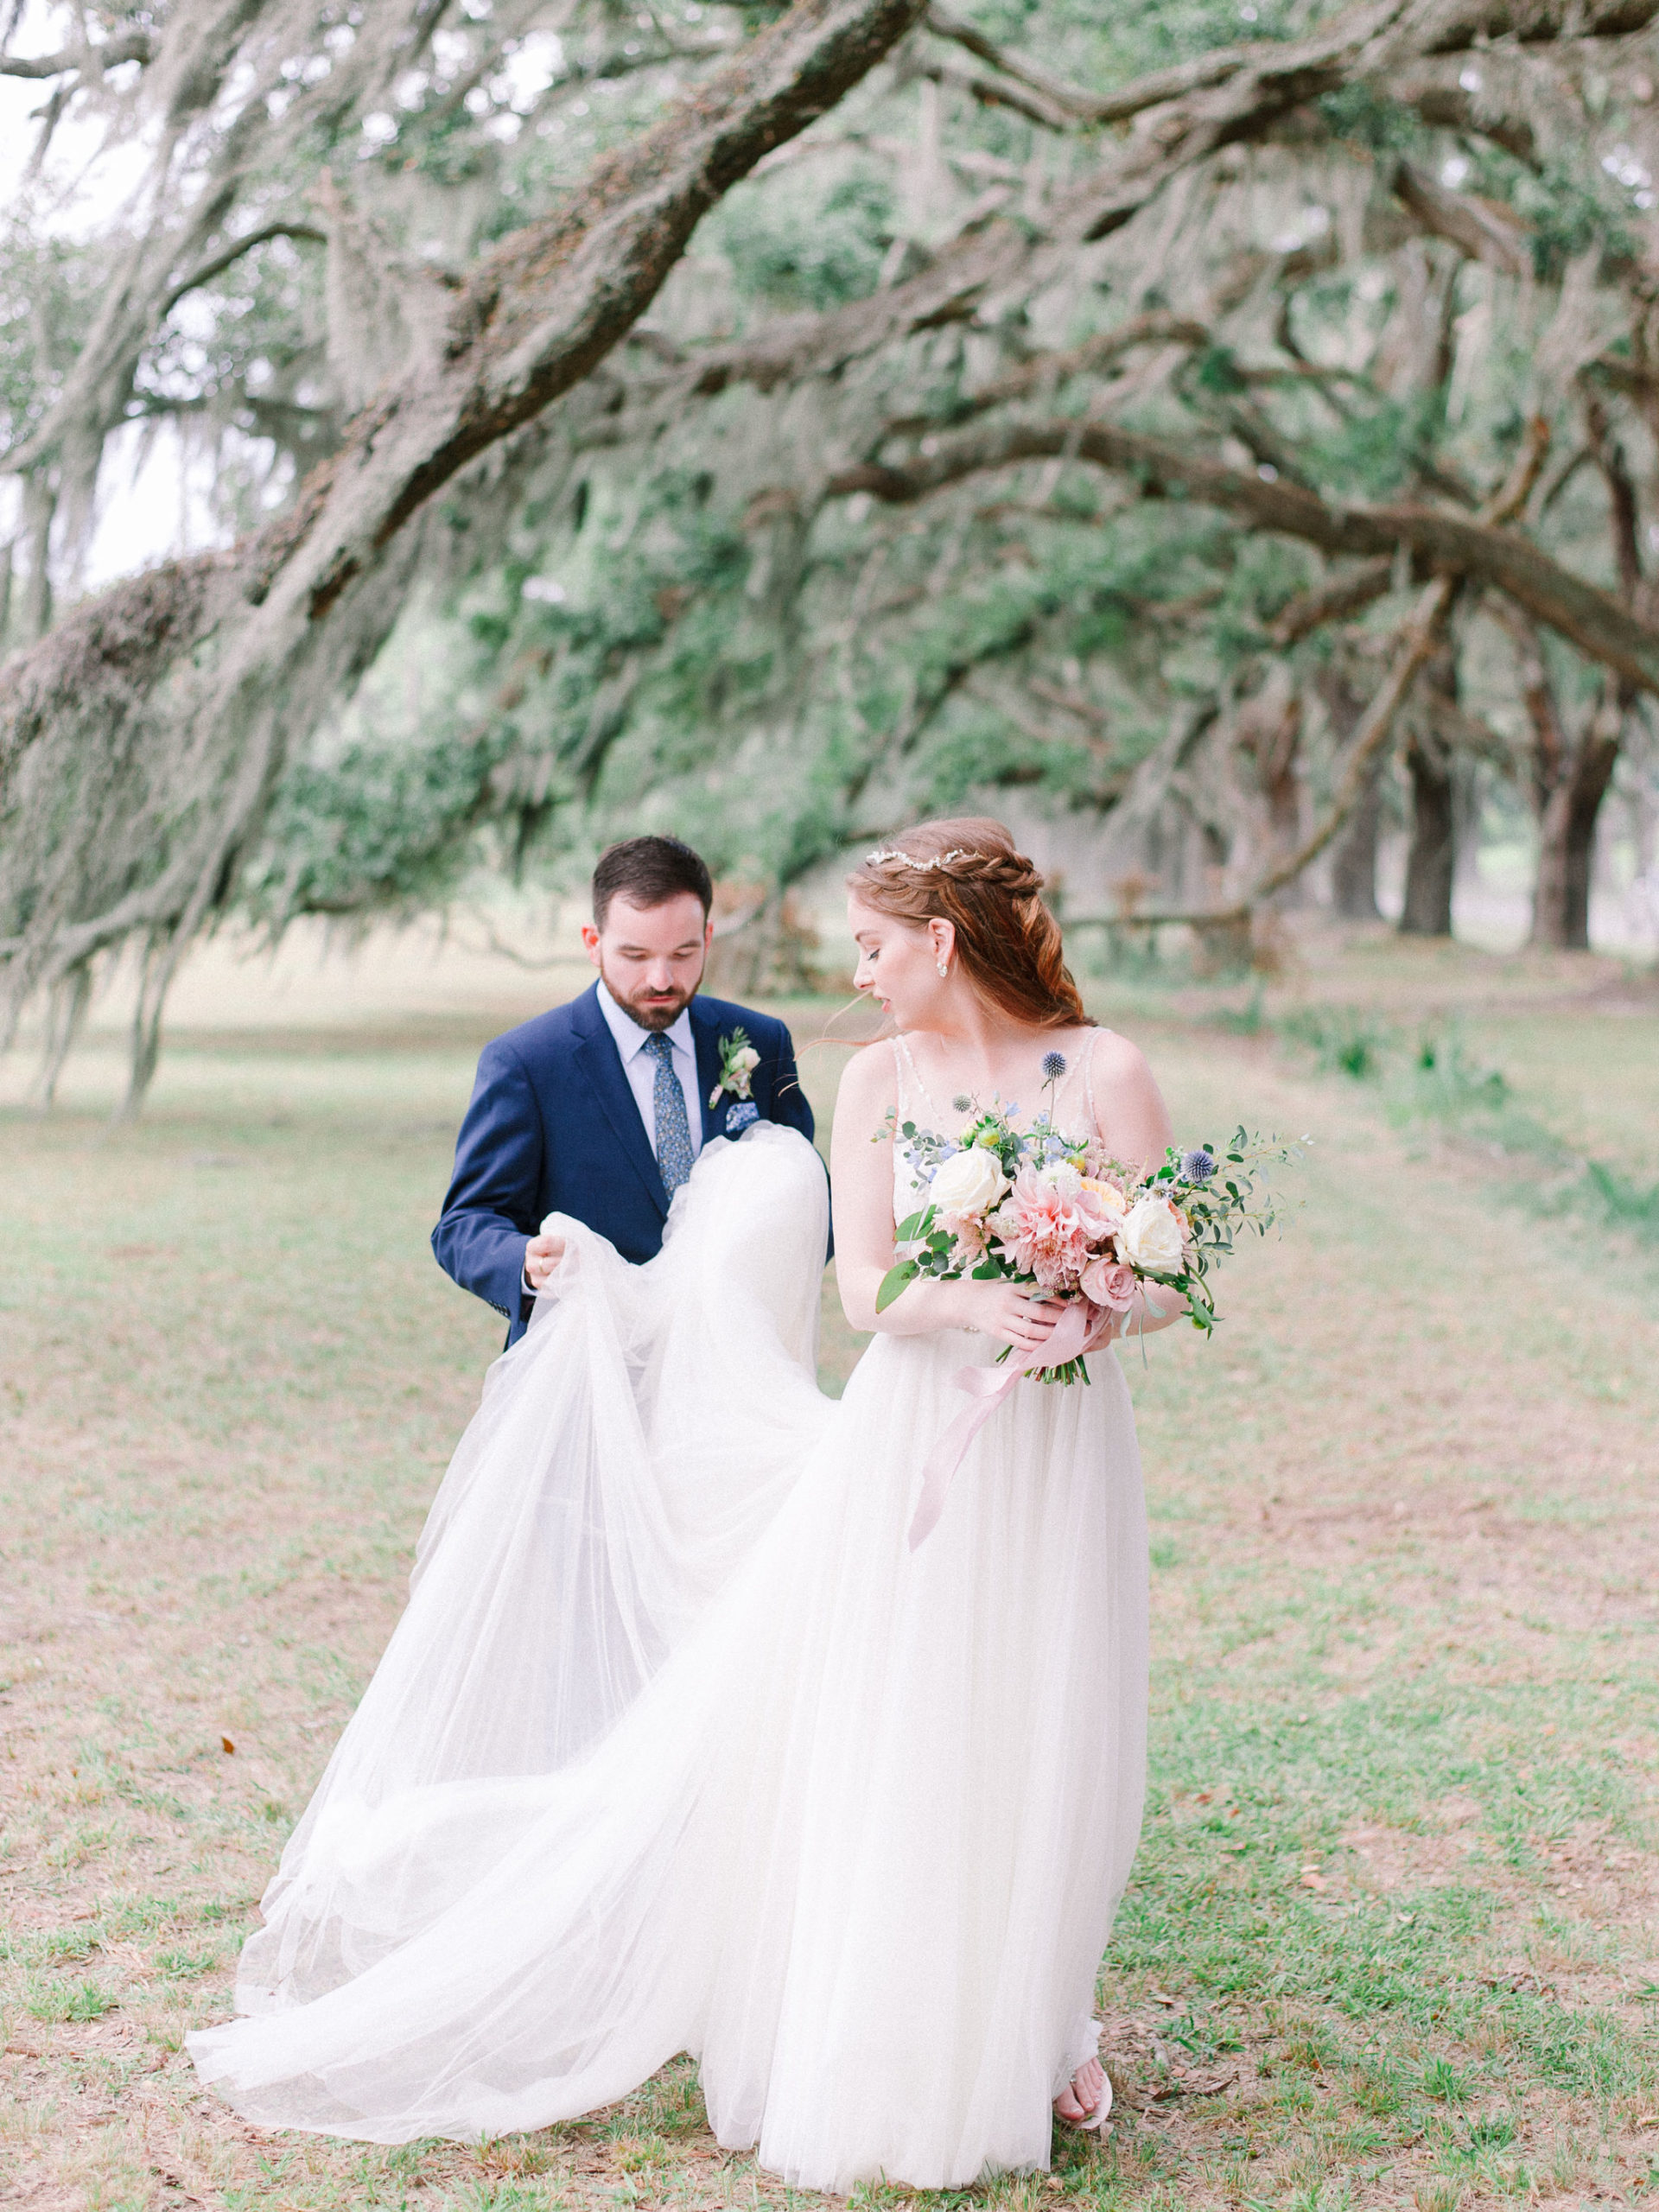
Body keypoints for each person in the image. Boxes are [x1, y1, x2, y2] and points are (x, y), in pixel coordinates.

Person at [188, 817, 1181, 2191]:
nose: (857, 974)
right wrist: (974, 1296)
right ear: (599, 940)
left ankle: (1043, 2011)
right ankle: (910, 2022)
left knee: (1054, 1717)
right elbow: (866, 1287)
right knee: (913, 1722)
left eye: (875, 947)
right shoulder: (871, 1077)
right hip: (904, 1435)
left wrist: (1099, 1305)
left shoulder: (1105, 1070)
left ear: (941, 941)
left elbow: (1165, 1263)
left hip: (1060, 1444)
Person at [432, 833, 817, 1346]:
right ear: (593, 942)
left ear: (708, 934)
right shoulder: (527, 1062)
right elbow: (465, 1224)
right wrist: (522, 1262)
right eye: (635, 955)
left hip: (730, 1355)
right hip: (587, 1357)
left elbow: (806, 1197)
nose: (662, 978)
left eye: (683, 953)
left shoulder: (761, 1042)